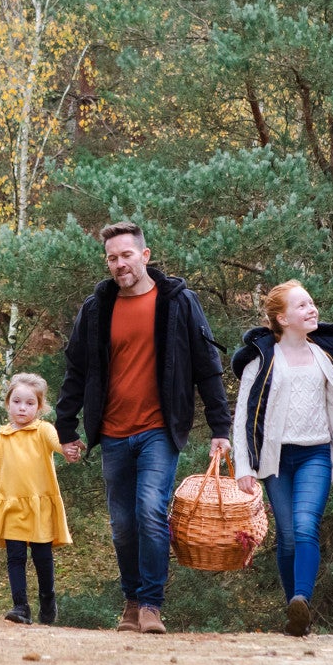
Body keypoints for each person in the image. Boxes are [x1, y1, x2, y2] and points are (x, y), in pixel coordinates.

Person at [57, 222, 233, 635]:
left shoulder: (178, 302)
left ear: (145, 255)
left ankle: (152, 604)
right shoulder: (96, 308)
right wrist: (66, 426)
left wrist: (219, 426)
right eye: (112, 258)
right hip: (114, 432)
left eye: (126, 255)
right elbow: (76, 371)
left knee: (150, 509)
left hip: (159, 428)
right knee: (122, 522)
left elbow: (207, 368)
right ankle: (132, 601)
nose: (119, 265)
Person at [231, 282, 333, 637]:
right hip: (277, 459)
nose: (311, 309)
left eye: (312, 302)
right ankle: (297, 613)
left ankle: (301, 597)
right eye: (302, 305)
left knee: (306, 526)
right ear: (282, 318)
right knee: (287, 536)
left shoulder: (327, 355)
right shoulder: (261, 360)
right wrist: (244, 468)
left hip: (315, 455)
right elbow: (244, 415)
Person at [0, 373, 71, 626]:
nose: (23, 407)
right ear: (8, 403)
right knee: (15, 557)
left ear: (40, 407)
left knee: (42, 558)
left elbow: (58, 443)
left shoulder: (43, 430)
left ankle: (47, 599)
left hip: (39, 506)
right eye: (17, 401)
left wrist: (68, 448)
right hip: (9, 506)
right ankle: (20, 606)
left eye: (30, 403)